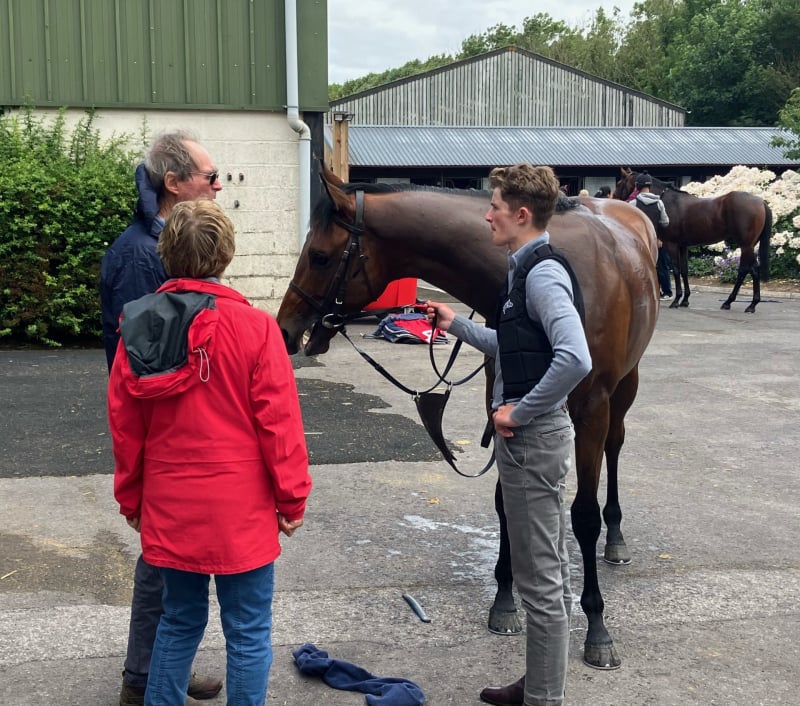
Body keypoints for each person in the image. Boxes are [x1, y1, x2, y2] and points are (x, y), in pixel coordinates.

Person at [109, 199, 312, 706]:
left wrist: (131, 499)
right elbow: (280, 424)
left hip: (171, 500)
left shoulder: (136, 326)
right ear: (226, 253)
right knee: (247, 630)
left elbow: (126, 427)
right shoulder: (257, 328)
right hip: (240, 504)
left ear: (165, 254)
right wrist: (292, 499)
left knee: (177, 622)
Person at [425, 163, 591, 706]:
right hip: (536, 442)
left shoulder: (540, 275)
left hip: (533, 442)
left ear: (521, 215)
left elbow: (574, 358)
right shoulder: (528, 268)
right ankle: (542, 684)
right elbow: (519, 347)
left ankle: (543, 698)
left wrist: (518, 415)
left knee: (540, 580)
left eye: (494, 205)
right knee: (548, 571)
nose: (486, 213)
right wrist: (457, 326)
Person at [100, 131, 224, 706]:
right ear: (174, 183)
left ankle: (160, 671)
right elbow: (136, 370)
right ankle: (141, 681)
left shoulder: (168, 245)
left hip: (184, 436)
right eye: (208, 175)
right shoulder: (139, 255)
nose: (218, 184)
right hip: (161, 437)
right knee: (160, 562)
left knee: (176, 560)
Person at [633, 172, 672, 298]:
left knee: (641, 267)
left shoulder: (633, 204)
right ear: (650, 186)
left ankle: (644, 292)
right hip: (656, 241)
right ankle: (666, 292)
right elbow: (665, 222)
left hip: (639, 242)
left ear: (637, 186)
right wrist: (659, 237)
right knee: (662, 266)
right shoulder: (659, 202)